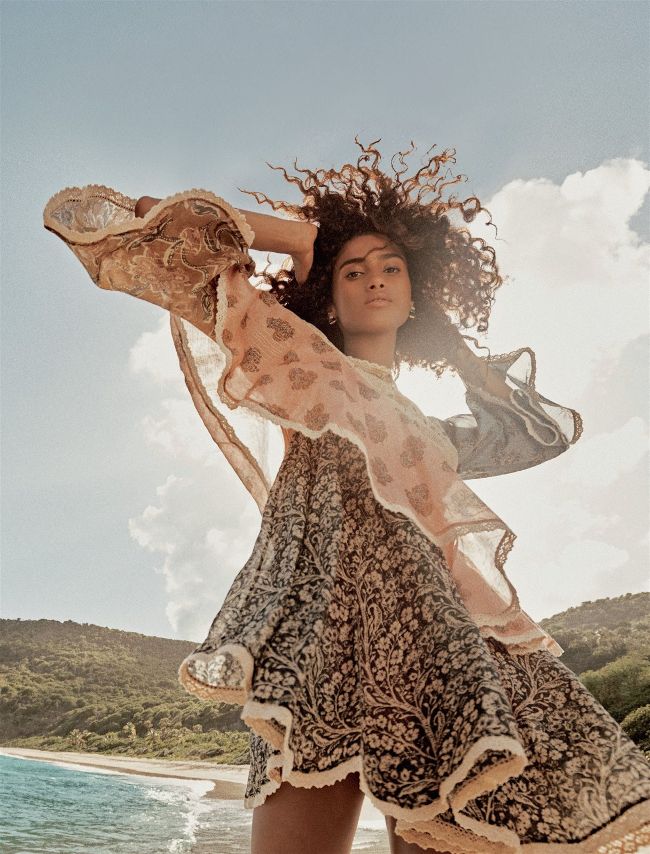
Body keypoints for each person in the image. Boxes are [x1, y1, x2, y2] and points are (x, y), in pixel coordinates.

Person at [43, 137, 650, 854]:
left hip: (431, 645)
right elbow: (142, 233)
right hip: (320, 638)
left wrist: (460, 355)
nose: (374, 281)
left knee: (446, 837)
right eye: (352, 272)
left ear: (417, 294)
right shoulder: (298, 361)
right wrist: (304, 241)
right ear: (324, 297)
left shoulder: (429, 431)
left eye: (393, 268)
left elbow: (540, 432)